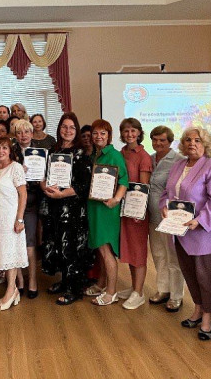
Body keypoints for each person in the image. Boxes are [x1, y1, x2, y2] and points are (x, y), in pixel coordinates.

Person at [158, 127, 211, 341]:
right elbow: (167, 193)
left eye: (197, 140)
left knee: (206, 277)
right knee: (190, 274)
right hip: (180, 231)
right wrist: (164, 207)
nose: (192, 143)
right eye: (188, 140)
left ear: (206, 144)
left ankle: (207, 317)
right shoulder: (178, 165)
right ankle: (197, 309)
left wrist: (199, 221)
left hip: (204, 233)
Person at [39, 113, 94, 305]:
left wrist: (62, 194)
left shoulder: (82, 154)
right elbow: (42, 175)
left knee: (71, 247)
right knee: (58, 245)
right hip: (53, 206)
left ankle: (74, 289)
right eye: (64, 126)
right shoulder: (52, 151)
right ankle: (64, 282)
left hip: (72, 209)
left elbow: (84, 185)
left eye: (72, 127)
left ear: (76, 130)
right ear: (59, 128)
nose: (68, 131)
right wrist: (45, 187)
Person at [85, 119, 129, 306]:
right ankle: (101, 284)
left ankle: (111, 292)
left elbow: (124, 181)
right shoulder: (95, 155)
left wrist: (116, 200)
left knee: (106, 249)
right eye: (95, 133)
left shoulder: (114, 155)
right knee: (100, 248)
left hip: (107, 209)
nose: (98, 136)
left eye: (103, 133)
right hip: (95, 206)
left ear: (109, 136)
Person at [146, 125, 185, 312]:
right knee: (158, 255)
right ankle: (163, 289)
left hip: (170, 218)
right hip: (152, 216)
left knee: (173, 258)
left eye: (162, 140)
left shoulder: (179, 161)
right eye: (155, 139)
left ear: (170, 141)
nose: (158, 143)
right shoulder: (150, 158)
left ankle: (176, 295)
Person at [115, 118, 153, 310]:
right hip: (122, 209)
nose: (129, 134)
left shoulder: (144, 157)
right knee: (129, 249)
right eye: (126, 131)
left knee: (138, 251)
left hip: (137, 211)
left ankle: (139, 293)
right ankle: (134, 287)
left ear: (139, 133)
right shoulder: (120, 153)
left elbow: (143, 187)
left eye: (133, 131)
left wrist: (139, 211)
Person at [0, 137, 29, 310]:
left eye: (5, 148)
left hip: (11, 218)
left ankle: (11, 290)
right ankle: (13, 290)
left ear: (10, 150)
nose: (1, 151)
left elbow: (23, 194)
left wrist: (19, 219)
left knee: (11, 255)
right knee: (3, 254)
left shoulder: (16, 168)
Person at [13, 119, 42, 297]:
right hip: (12, 202)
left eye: (26, 132)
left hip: (31, 200)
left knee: (30, 241)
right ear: (15, 135)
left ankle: (32, 280)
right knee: (14, 241)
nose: (23, 135)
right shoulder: (10, 151)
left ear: (32, 133)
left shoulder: (41, 152)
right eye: (19, 132)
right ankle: (19, 280)